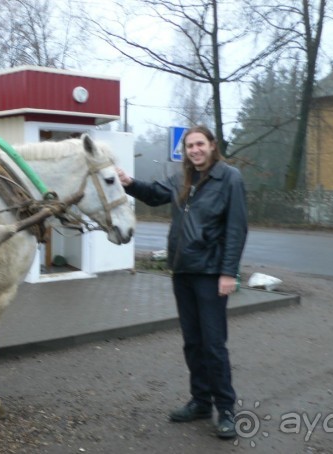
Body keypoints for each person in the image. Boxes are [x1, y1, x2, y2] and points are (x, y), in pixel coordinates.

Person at [117, 125, 247, 439]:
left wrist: (229, 273)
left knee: (213, 345)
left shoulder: (229, 178)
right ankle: (201, 402)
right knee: (192, 342)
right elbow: (153, 194)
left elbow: (236, 228)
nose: (195, 150)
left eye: (200, 144)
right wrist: (130, 183)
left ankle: (226, 410)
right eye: (190, 146)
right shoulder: (180, 180)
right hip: (183, 272)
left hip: (212, 274)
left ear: (213, 145)